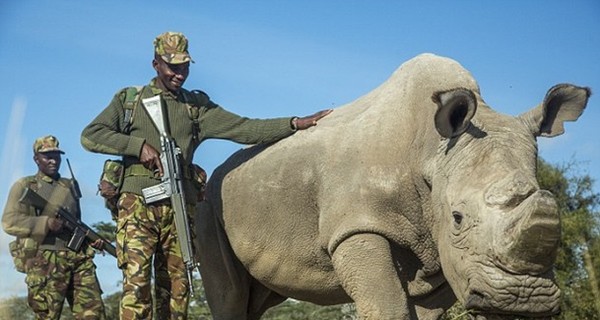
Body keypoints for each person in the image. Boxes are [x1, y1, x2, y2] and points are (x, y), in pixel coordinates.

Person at [80, 31, 332, 319]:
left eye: (185, 66)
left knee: (177, 289)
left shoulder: (195, 107)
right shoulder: (130, 100)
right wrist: (137, 147)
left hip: (181, 209)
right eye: (172, 66)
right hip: (136, 205)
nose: (180, 74)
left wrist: (295, 123)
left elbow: (245, 127)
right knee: (136, 286)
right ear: (155, 65)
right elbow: (91, 135)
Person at [2, 135, 106, 319]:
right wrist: (45, 223)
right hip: (45, 260)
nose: (53, 160)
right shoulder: (25, 185)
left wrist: (91, 242)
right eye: (47, 156)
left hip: (78, 258)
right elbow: (9, 221)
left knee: (93, 313)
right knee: (47, 315)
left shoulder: (69, 185)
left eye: (56, 156)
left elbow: (77, 222)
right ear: (36, 159)